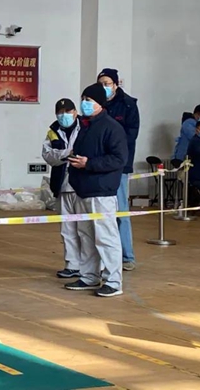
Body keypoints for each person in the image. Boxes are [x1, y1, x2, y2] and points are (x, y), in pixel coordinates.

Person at [65, 84, 128, 297]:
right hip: (82, 190)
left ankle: (113, 281)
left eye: (89, 100)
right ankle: (89, 276)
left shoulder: (112, 127)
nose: (84, 103)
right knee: (86, 236)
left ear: (100, 103)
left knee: (106, 237)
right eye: (83, 98)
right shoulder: (85, 127)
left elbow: (119, 159)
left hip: (101, 192)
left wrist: (89, 164)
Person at [97, 68, 139, 271]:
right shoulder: (96, 103)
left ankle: (127, 256)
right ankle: (102, 257)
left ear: (115, 84)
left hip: (119, 164)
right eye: (100, 83)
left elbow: (130, 136)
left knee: (121, 211)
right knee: (99, 213)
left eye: (107, 83)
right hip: (98, 164)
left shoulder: (128, 105)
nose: (103, 87)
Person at [42, 98, 83, 279]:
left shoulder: (86, 127)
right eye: (60, 112)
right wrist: (67, 153)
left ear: (75, 112)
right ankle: (72, 264)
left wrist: (67, 155)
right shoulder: (53, 131)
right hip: (63, 185)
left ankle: (91, 266)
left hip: (83, 185)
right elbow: (48, 155)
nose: (64, 115)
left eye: (67, 111)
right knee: (67, 229)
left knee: (86, 228)